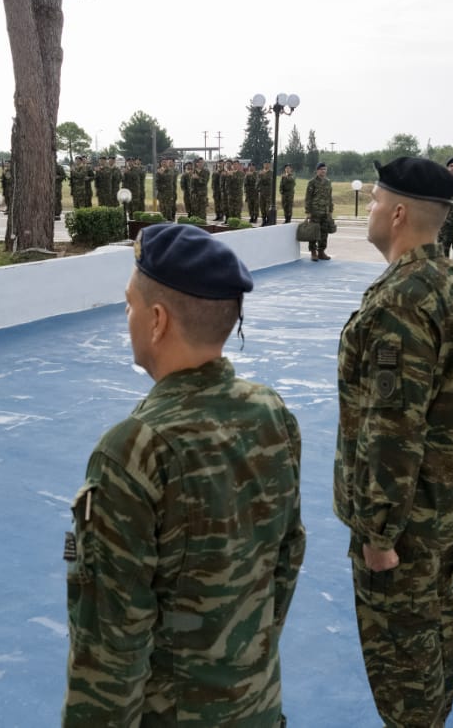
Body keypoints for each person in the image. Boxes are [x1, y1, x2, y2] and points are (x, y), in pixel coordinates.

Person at [63, 223, 305, 726]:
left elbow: (111, 646)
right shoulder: (272, 414)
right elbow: (285, 559)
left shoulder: (133, 450)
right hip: (257, 703)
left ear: (156, 321)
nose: (125, 317)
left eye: (129, 305)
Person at [335, 156, 453, 727]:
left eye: (376, 201)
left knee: (402, 662)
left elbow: (391, 431)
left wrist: (379, 532)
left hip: (406, 524)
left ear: (398, 212)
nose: (372, 210)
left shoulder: (402, 300)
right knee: (436, 634)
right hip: (447, 508)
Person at [304, 162, 334, 261]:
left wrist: (330, 210)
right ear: (317, 171)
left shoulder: (328, 182)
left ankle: (321, 252)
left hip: (325, 212)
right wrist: (308, 212)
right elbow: (308, 198)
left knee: (324, 233)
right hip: (315, 212)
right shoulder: (312, 182)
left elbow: (330, 197)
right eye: (321, 169)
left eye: (325, 169)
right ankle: (313, 252)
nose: (323, 171)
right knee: (314, 233)